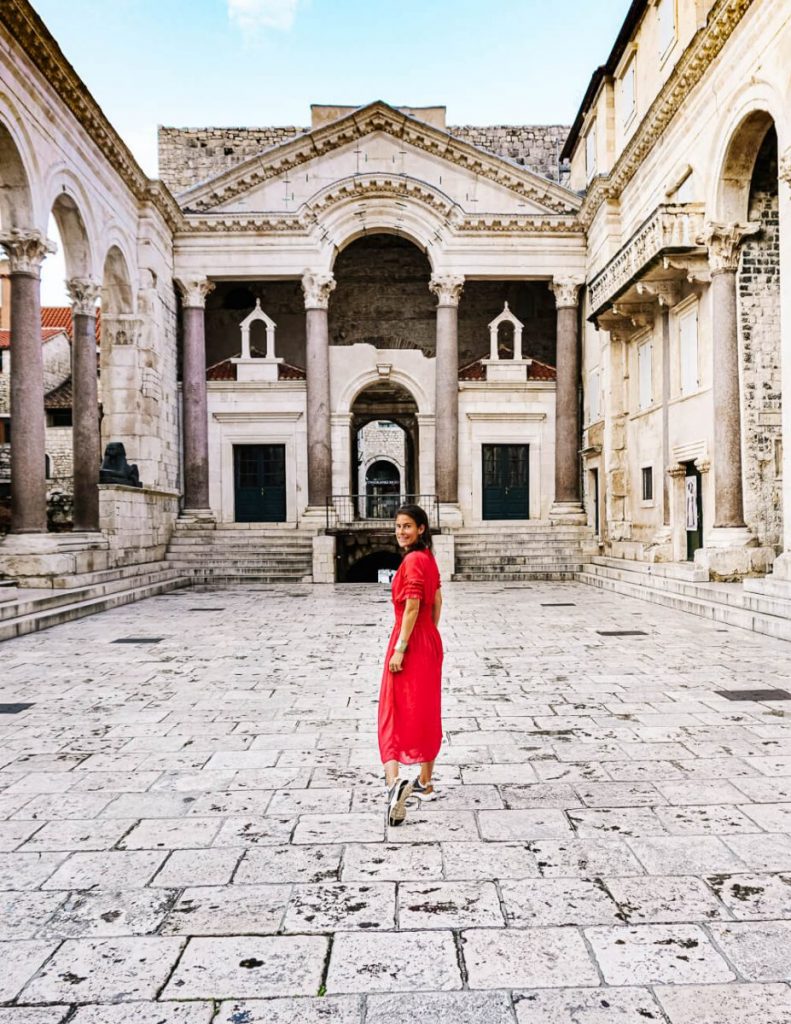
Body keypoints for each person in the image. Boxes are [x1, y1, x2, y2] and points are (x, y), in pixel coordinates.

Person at [378, 503, 443, 827]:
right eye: (398, 526)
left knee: (392, 711)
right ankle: (425, 783)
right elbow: (438, 602)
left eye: (407, 526)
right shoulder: (428, 558)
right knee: (426, 710)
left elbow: (414, 605)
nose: (401, 531)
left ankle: (393, 786)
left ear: (421, 528)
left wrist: (402, 648)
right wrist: (429, 636)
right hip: (429, 641)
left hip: (409, 641)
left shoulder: (413, 561)